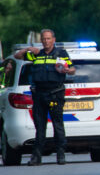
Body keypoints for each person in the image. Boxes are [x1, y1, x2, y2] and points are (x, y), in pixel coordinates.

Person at [13, 29, 76, 165]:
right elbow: (17, 56)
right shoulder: (37, 55)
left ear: (53, 39)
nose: (46, 41)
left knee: (57, 124)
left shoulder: (60, 53)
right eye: (44, 39)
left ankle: (60, 155)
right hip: (39, 94)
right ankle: (36, 157)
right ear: (41, 41)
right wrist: (28, 49)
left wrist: (67, 70)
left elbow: (72, 70)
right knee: (40, 127)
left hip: (55, 93)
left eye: (48, 39)